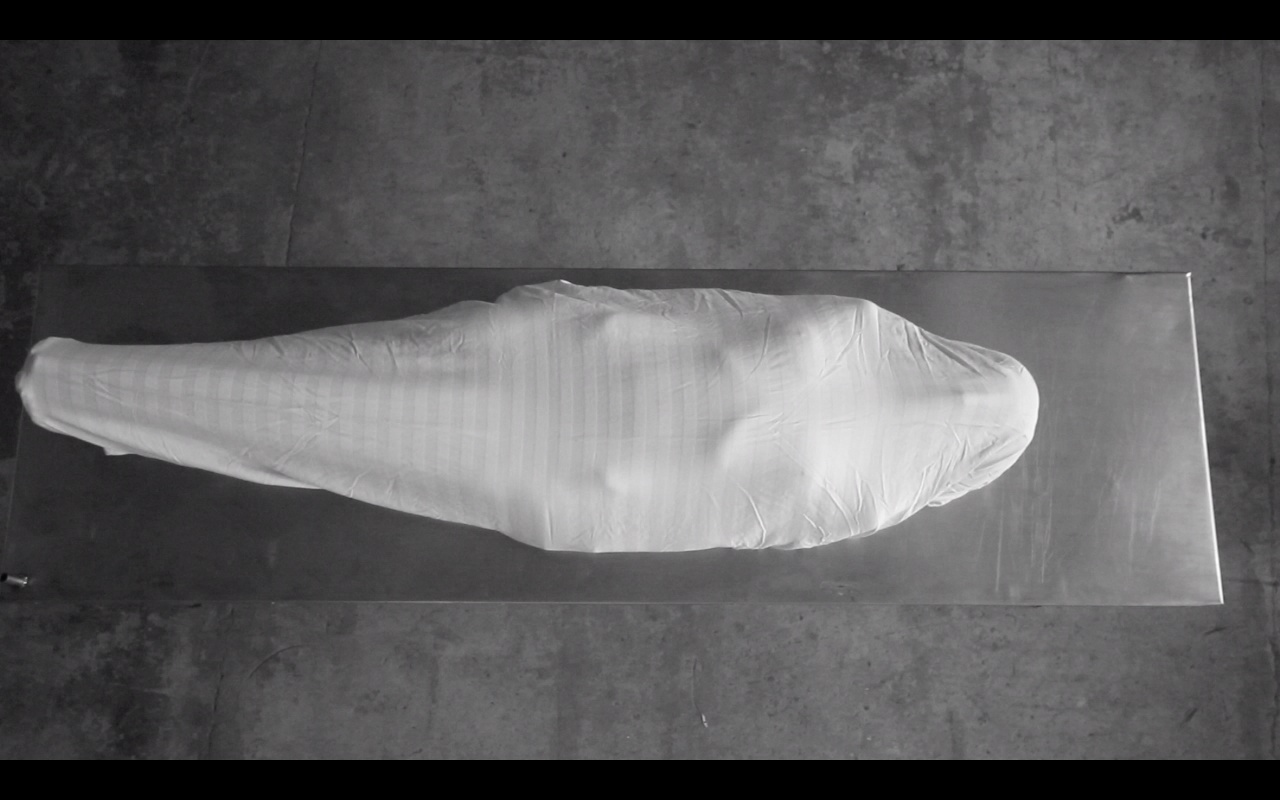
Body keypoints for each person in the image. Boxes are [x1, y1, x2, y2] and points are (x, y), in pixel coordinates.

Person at [15, 280, 1039, 553]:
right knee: (322, 422)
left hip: (562, 392)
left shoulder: (857, 327)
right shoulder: (877, 496)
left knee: (322, 398)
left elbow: (704, 310)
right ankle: (102, 397)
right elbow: (730, 521)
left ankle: (99, 391)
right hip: (567, 457)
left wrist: (567, 304)